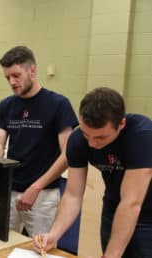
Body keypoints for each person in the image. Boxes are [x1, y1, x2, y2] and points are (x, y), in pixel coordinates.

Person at [34, 87, 152, 258]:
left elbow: (131, 203)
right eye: (87, 135)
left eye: (101, 137)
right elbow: (73, 195)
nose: (92, 143)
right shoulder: (78, 139)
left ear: (121, 124)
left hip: (147, 214)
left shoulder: (142, 136)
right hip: (113, 207)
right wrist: (54, 234)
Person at [0, 46, 78, 236]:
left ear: (32, 70)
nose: (12, 82)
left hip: (43, 195)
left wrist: (36, 187)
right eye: (7, 78)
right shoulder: (6, 105)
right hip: (9, 190)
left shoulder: (58, 104)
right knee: (1, 243)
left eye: (16, 75)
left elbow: (68, 154)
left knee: (40, 247)